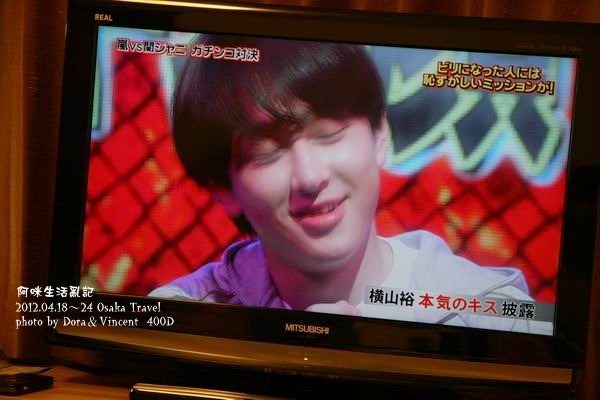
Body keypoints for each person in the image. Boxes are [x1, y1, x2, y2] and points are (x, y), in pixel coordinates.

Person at [150, 34, 551, 335]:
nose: (310, 177)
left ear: (380, 136)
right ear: (222, 188)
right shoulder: (175, 320)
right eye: (267, 152)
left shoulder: (495, 316)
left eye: (329, 134)